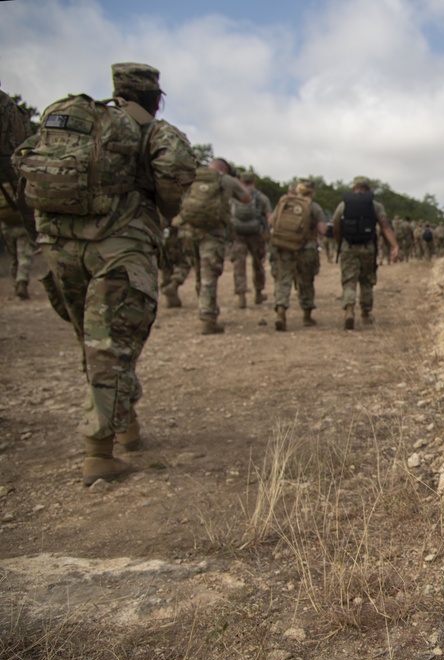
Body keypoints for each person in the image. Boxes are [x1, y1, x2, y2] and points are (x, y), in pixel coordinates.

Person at [13, 62, 196, 485]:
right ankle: (99, 451)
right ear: (156, 97)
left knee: (93, 338)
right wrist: (161, 209)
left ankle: (125, 420)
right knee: (111, 343)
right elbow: (177, 168)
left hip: (60, 245)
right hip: (118, 247)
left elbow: (24, 162)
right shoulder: (152, 129)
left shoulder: (76, 122)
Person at [177, 157, 250, 334]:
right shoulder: (226, 180)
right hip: (212, 232)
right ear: (225, 169)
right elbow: (246, 198)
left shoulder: (192, 175)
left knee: (198, 273)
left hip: (188, 229)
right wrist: (237, 181)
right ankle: (207, 318)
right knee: (209, 274)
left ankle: (203, 309)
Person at [331, 176, 398, 329]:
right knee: (366, 281)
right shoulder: (375, 206)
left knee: (349, 280)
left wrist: (340, 243)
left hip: (348, 247)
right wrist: (395, 246)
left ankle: (349, 309)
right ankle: (366, 314)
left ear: (354, 188)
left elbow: (335, 226)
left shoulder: (343, 204)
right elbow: (385, 226)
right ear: (368, 189)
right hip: (368, 247)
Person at [270, 180, 325, 331]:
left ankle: (281, 310)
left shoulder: (284, 203)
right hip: (305, 248)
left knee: (283, 279)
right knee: (306, 280)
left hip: (283, 246)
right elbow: (322, 229)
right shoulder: (313, 206)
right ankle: (306, 316)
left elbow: (271, 221)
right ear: (312, 192)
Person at [0, 82, 35, 299]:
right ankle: (21, 280)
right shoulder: (8, 106)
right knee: (24, 250)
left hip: (5, 214)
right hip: (15, 200)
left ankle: (16, 281)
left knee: (13, 251)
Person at [229, 171, 271, 308]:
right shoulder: (261, 197)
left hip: (237, 234)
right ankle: (258, 293)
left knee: (239, 265)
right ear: (254, 181)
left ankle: (241, 296)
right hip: (256, 234)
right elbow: (269, 218)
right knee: (258, 264)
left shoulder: (234, 196)